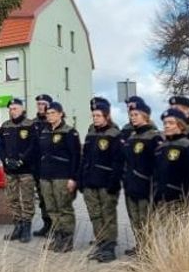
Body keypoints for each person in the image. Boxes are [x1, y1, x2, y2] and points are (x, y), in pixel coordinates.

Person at [78, 97, 124, 263]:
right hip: (90, 182)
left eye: (98, 115)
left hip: (106, 183)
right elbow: (85, 159)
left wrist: (114, 182)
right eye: (94, 115)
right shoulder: (91, 134)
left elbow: (118, 161)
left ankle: (110, 247)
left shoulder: (114, 134)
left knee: (108, 216)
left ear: (106, 116)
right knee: (95, 215)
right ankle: (101, 243)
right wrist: (81, 179)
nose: (95, 118)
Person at [36, 100, 81, 253]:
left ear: (61, 114)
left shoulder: (69, 132)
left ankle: (67, 241)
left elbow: (76, 156)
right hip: (46, 176)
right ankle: (58, 238)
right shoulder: (44, 131)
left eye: (53, 113)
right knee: (51, 208)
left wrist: (73, 178)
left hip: (62, 176)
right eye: (48, 113)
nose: (49, 115)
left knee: (64, 208)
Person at [121, 98, 162, 257]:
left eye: (136, 114)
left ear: (145, 115)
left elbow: (158, 164)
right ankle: (140, 246)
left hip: (146, 186)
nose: (133, 117)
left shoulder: (154, 137)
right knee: (135, 220)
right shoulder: (131, 137)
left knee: (146, 222)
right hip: (131, 185)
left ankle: (148, 253)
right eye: (131, 114)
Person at [0, 98, 36, 242]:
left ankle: (26, 228)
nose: (12, 111)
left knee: (27, 199)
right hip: (10, 170)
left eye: (14, 108)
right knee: (12, 199)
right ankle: (17, 226)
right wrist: (6, 160)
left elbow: (33, 146)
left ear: (22, 109)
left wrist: (22, 160)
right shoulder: (5, 126)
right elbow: (0, 146)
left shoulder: (30, 125)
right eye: (10, 109)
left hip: (26, 169)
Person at [154, 108, 189, 212]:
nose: (167, 126)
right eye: (165, 123)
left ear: (181, 125)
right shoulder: (160, 148)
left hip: (180, 200)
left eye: (171, 123)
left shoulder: (188, 146)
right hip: (161, 200)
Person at [29, 93, 55, 237]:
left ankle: (57, 226)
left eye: (43, 104)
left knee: (53, 198)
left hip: (52, 167)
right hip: (38, 167)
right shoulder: (33, 123)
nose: (40, 107)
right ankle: (47, 224)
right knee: (43, 198)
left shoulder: (53, 122)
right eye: (38, 104)